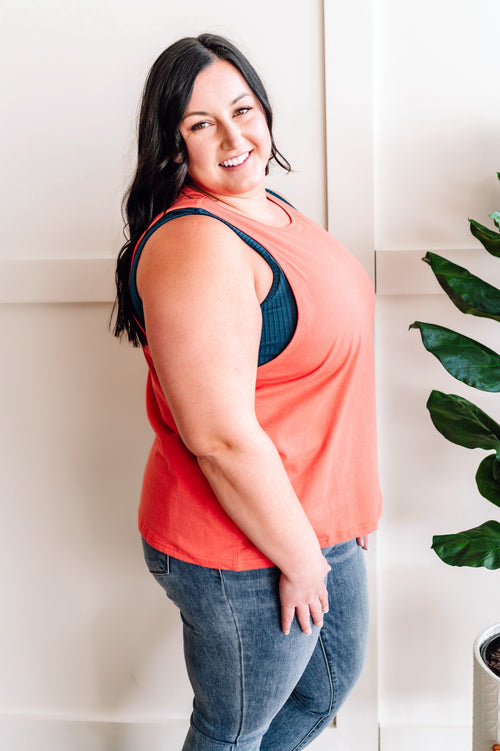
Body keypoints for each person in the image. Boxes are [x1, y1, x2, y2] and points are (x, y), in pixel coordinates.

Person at [113, 33, 382, 751]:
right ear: (173, 146)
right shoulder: (196, 243)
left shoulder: (268, 207)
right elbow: (220, 435)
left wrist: (342, 503)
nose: (235, 137)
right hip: (242, 543)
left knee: (323, 687)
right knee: (233, 733)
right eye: (202, 124)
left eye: (243, 109)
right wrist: (298, 556)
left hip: (315, 515)